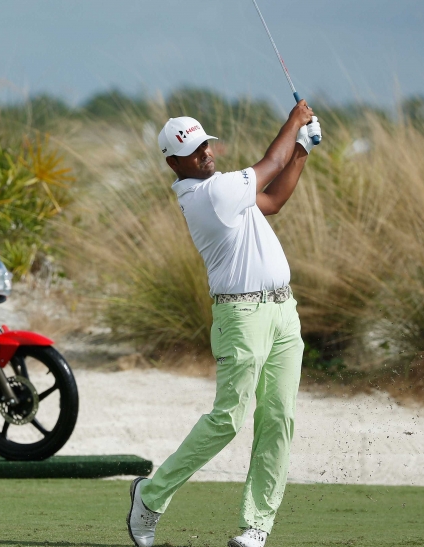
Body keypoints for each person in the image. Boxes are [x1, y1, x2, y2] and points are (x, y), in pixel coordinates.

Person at [126, 100, 321, 547]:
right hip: (242, 316)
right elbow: (270, 165)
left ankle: (257, 526)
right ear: (174, 162)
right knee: (228, 420)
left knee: (279, 417)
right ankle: (150, 496)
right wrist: (295, 123)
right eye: (195, 151)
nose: (206, 154)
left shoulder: (224, 186)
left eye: (206, 145)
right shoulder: (207, 195)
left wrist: (303, 150)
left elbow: (271, 201)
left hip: (282, 312)